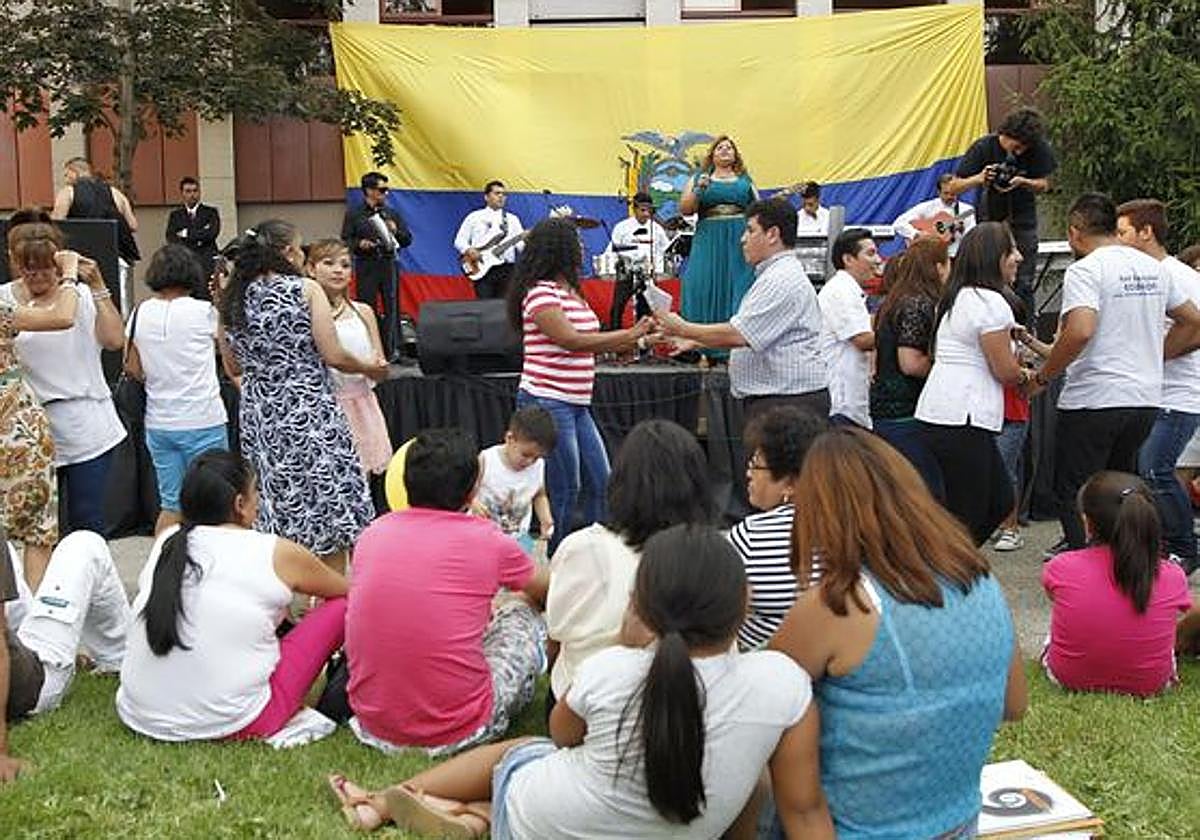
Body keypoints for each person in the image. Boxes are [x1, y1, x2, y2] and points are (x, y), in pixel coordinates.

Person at [327, 525, 835, 839]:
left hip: (538, 824)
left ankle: (394, 799)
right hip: (636, 825)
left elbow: (563, 734)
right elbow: (805, 807)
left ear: (643, 607)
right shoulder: (781, 685)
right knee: (749, 784)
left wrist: (622, 643)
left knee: (525, 749)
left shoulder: (613, 669)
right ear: (744, 606)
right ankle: (468, 815)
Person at [768, 427, 1027, 839]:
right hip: (957, 822)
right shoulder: (980, 581)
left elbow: (761, 713)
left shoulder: (840, 605)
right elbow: (1014, 705)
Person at [343, 429, 548, 755]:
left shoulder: (372, 535)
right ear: (471, 492)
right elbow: (547, 591)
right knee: (523, 611)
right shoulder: (488, 539)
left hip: (372, 723)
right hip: (459, 728)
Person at [117, 451, 347, 742]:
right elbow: (345, 590)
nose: (259, 501)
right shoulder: (275, 551)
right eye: (256, 493)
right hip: (238, 720)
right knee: (345, 606)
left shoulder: (168, 539)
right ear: (240, 504)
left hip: (140, 712)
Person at [1026, 194, 1200, 556]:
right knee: (1124, 485)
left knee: (1076, 488)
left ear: (1075, 233)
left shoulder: (1086, 269)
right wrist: (1156, 355)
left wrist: (1043, 377)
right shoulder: (1152, 268)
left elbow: (1080, 330)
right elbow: (1192, 319)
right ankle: (1128, 561)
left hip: (1094, 396)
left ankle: (1084, 565)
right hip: (1145, 398)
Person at [218, 219, 384, 574]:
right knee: (327, 501)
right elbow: (334, 354)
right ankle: (332, 597)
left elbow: (231, 365)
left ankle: (289, 599)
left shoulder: (230, 299)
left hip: (261, 415)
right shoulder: (304, 290)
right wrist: (368, 367)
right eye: (297, 248)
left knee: (278, 502)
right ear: (284, 252)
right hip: (308, 409)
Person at [507, 217, 651, 554]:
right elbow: (570, 340)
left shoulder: (571, 292)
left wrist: (630, 345)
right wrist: (628, 336)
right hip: (546, 400)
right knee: (566, 487)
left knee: (602, 480)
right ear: (561, 250)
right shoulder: (540, 292)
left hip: (575, 401)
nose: (582, 249)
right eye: (577, 243)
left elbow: (586, 344)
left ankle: (596, 553)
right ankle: (561, 561)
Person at [546, 419, 715, 706]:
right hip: (687, 706)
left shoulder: (586, 547)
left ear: (622, 480)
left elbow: (557, 631)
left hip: (589, 706)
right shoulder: (717, 556)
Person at [0, 222, 126, 550]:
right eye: (28, 270)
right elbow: (59, 318)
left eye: (43, 269)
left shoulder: (80, 295)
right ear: (14, 262)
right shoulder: (5, 302)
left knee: (88, 521)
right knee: (37, 528)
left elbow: (114, 340)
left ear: (57, 261)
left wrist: (96, 284)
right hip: (26, 429)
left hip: (85, 422)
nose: (36, 277)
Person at [655, 199, 829, 422]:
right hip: (780, 400)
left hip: (787, 404)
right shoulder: (773, 275)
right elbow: (760, 334)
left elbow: (740, 334)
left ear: (773, 234)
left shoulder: (780, 280)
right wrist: (698, 342)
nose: (742, 239)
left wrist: (683, 328)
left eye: (750, 230)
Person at [914, 223, 1029, 546]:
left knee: (995, 500)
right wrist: (1027, 376)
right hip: (963, 414)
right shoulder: (991, 303)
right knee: (973, 509)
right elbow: (1005, 370)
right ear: (994, 257)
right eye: (1011, 251)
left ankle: (954, 565)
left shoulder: (956, 297)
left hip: (942, 412)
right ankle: (950, 570)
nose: (1018, 258)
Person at [1042, 472, 1193, 695]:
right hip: (1150, 683)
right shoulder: (1173, 575)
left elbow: (1058, 599)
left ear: (1087, 522)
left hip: (1068, 676)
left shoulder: (1061, 566)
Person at [2, 528, 130, 782]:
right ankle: (120, 658)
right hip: (33, 685)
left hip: (20, 646)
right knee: (84, 545)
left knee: (10, 559)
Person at [1115, 199, 1200, 573]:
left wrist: (1151, 359)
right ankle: (1166, 544)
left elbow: (1195, 328)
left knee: (1155, 469)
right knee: (1152, 471)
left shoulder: (1176, 276)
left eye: (1123, 233)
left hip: (1179, 393)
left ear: (1146, 232)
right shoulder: (1152, 275)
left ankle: (1185, 547)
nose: (1117, 242)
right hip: (1154, 393)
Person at [124, 244, 229, 536]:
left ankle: (163, 569)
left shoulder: (139, 312)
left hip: (159, 422)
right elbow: (230, 354)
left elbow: (132, 367)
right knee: (214, 505)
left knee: (171, 505)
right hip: (203, 417)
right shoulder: (205, 312)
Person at [0, 228, 83, 589]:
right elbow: (63, 317)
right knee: (37, 532)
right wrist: (69, 273)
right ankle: (38, 630)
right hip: (16, 428)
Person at [730, 406, 827, 651]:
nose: (748, 474)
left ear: (791, 484)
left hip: (762, 663)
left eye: (757, 465)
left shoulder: (751, 537)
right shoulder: (843, 527)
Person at [948, 108, 1056, 320]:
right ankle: (989, 323)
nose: (1019, 152)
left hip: (1023, 219)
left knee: (1024, 279)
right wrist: (979, 179)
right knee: (987, 275)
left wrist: (1025, 182)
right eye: (1015, 146)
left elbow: (1046, 184)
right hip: (990, 219)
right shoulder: (983, 147)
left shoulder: (1037, 148)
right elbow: (953, 186)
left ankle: (1025, 329)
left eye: (1025, 148)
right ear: (1004, 135)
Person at [305, 239, 392, 478]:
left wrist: (377, 369)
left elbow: (381, 366)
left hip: (362, 405)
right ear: (311, 269)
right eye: (329, 263)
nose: (338, 270)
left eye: (344, 265)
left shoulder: (363, 311)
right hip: (325, 407)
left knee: (363, 480)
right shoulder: (304, 314)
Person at [869, 237, 950, 491]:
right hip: (906, 411)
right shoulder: (917, 303)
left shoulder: (894, 300)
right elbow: (910, 363)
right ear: (937, 267)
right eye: (948, 264)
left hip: (887, 410)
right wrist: (946, 367)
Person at [678, 135, 757, 334]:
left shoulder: (745, 182)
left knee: (738, 283)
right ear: (712, 154)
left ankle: (734, 341)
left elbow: (758, 211)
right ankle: (701, 342)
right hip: (708, 236)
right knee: (702, 283)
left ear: (735, 155)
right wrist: (698, 190)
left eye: (729, 147)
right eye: (719, 147)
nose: (724, 150)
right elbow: (685, 209)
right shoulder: (698, 179)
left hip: (739, 237)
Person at [51, 157, 140, 313]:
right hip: (115, 257)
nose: (65, 180)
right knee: (118, 305)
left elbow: (56, 224)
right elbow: (133, 225)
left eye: (66, 175)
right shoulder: (115, 193)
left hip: (81, 262)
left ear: (74, 173)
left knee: (85, 308)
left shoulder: (68, 192)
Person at [340, 171, 412, 362]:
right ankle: (369, 349)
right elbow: (346, 239)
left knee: (392, 305)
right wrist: (359, 244)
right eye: (382, 190)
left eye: (387, 190)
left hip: (388, 263)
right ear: (369, 191)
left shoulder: (391, 213)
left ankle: (395, 349)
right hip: (367, 264)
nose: (385, 194)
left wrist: (396, 231)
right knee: (367, 305)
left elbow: (407, 240)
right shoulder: (355, 214)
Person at [818, 228, 880, 428]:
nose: (878, 260)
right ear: (848, 259)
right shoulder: (841, 291)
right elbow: (862, 340)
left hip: (851, 404)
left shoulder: (850, 290)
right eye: (870, 253)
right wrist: (901, 331)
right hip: (842, 405)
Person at [473, 406, 557, 548]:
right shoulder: (487, 459)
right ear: (510, 438)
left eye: (536, 457)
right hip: (482, 537)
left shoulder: (538, 466)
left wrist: (545, 517)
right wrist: (474, 502)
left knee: (529, 564)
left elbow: (539, 494)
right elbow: (466, 489)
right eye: (526, 455)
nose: (530, 462)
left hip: (520, 537)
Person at [605, 191, 671, 330]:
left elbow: (664, 250)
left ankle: (644, 344)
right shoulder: (622, 227)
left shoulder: (656, 229)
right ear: (634, 209)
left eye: (649, 211)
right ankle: (615, 339)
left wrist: (657, 267)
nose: (646, 214)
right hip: (626, 270)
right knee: (618, 305)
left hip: (647, 272)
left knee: (645, 308)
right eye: (642, 210)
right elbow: (613, 250)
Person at [456, 180, 525, 301]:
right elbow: (459, 240)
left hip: (507, 269)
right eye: (497, 193)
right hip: (482, 267)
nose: (501, 197)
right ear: (486, 197)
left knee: (505, 307)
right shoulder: (474, 217)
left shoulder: (512, 219)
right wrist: (469, 250)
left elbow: (520, 246)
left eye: (504, 194)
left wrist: (533, 241)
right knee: (485, 306)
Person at [892, 173, 976, 258]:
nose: (950, 196)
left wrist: (962, 230)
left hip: (958, 257)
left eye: (953, 193)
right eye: (946, 193)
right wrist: (916, 234)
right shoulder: (928, 207)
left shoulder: (967, 210)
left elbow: (972, 237)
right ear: (939, 192)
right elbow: (898, 223)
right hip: (931, 258)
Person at [164, 176, 221, 296]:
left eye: (195, 191)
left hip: (206, 263)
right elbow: (171, 238)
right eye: (188, 191)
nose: (192, 195)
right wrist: (200, 235)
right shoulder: (176, 216)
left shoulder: (211, 212)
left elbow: (212, 233)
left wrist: (186, 234)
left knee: (206, 297)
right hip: (186, 263)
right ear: (182, 194)